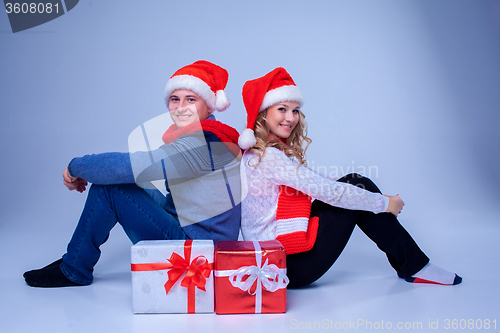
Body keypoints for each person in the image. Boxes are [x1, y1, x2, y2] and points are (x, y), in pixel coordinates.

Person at [237, 67, 462, 289]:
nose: (291, 118)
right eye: (282, 109)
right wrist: (383, 204)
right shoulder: (268, 158)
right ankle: (416, 266)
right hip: (281, 265)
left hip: (277, 256)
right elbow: (329, 192)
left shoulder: (262, 153)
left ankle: (413, 265)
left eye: (295, 111)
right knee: (354, 185)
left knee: (353, 184)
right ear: (263, 113)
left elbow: (317, 181)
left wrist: (376, 198)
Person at [24, 60, 242, 288]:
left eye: (191, 99)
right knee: (124, 181)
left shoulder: (200, 145)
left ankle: (73, 268)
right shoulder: (208, 136)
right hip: (197, 232)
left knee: (113, 187)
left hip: (198, 252)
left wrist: (75, 166)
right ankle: (75, 258)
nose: (181, 107)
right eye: (175, 99)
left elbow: (131, 166)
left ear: (208, 106)